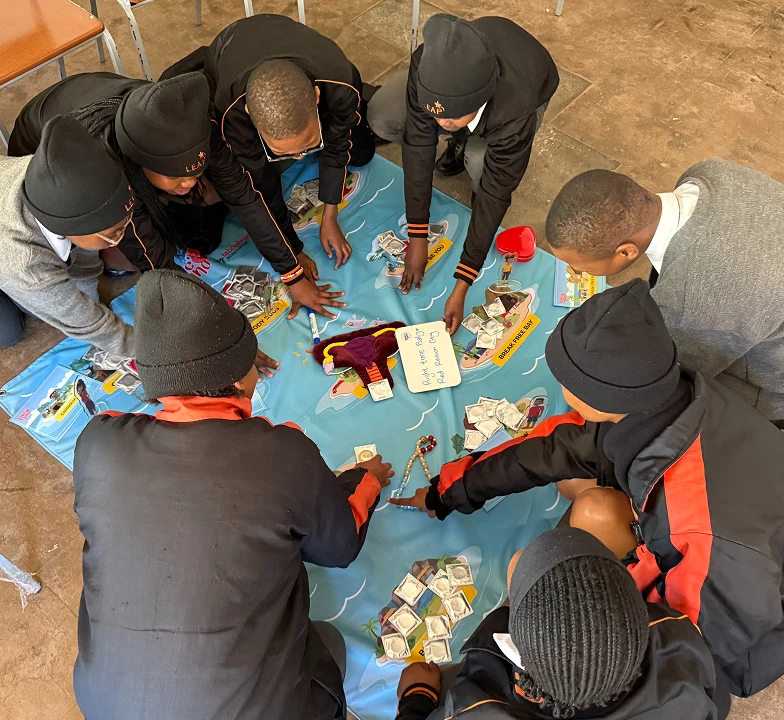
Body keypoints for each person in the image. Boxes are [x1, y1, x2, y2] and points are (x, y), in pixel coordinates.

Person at [391, 279, 784, 698]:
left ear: (602, 397)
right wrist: (449, 490)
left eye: (566, 382)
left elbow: (684, 652)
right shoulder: (668, 394)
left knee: (568, 552)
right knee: (575, 486)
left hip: (735, 625)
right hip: (729, 534)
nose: (562, 391)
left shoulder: (702, 536)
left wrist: (548, 639)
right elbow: (552, 447)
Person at [71, 268, 393, 719]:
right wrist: (365, 480)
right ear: (241, 377)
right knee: (332, 645)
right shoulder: (282, 454)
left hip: (105, 704)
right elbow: (337, 547)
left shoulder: (96, 444)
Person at [8, 71, 342, 319]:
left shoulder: (194, 124)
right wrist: (216, 325)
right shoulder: (107, 170)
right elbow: (154, 259)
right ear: (140, 164)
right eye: (176, 176)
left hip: (96, 103)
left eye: (196, 169)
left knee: (211, 202)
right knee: (121, 253)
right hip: (41, 149)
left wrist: (290, 270)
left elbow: (243, 194)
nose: (189, 181)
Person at [162, 14, 376, 316]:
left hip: (294, 44)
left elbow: (337, 147)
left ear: (316, 97)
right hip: (231, 45)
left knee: (362, 152)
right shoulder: (231, 110)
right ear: (250, 114)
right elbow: (257, 188)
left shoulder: (340, 84)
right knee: (255, 176)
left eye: (308, 146)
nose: (300, 158)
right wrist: (291, 259)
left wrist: (330, 213)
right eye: (283, 151)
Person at [395, 527, 729, 720]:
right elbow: (717, 699)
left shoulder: (474, 708)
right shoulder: (679, 634)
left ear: (519, 655)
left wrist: (417, 696)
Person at [544, 160, 784, 422]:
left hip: (771, 384)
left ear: (626, 251)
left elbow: (666, 378)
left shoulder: (689, 304)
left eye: (579, 267)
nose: (576, 274)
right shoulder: (710, 172)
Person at [367, 14, 559, 332]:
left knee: (483, 166)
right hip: (474, 66)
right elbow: (417, 145)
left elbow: (497, 193)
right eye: (436, 115)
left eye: (453, 119)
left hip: (530, 77)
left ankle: (467, 142)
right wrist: (417, 235)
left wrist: (463, 282)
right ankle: (462, 135)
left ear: (481, 101)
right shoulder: (425, 64)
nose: (441, 123)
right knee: (385, 116)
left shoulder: (514, 107)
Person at [0, 115, 135, 354]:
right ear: (68, 229)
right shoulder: (26, 262)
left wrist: (88, 299)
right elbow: (87, 325)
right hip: (10, 254)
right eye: (113, 234)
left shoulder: (61, 176)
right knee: (8, 331)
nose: (119, 239)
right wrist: (151, 350)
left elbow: (84, 256)